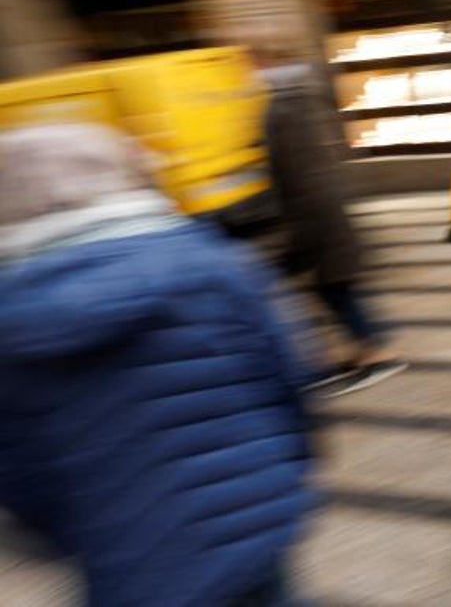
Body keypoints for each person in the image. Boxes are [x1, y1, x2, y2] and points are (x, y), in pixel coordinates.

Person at [0, 122, 317, 606]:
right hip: (252, 514)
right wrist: (292, 460)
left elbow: (17, 461)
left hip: (126, 548)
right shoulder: (210, 263)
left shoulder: (10, 311)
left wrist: (56, 532)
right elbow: (284, 374)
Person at [256, 49, 408, 395]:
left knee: (334, 290)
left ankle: (374, 352)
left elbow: (294, 178)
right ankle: (365, 350)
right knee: (335, 290)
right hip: (327, 217)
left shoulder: (281, 112)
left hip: (317, 220)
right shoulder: (306, 105)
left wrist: (299, 233)